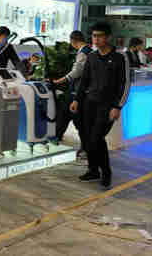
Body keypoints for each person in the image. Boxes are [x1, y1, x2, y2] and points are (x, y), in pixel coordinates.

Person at [70, 22, 128, 189]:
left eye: (100, 36)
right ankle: (93, 170)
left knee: (96, 138)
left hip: (108, 106)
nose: (96, 39)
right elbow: (84, 81)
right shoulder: (92, 56)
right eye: (94, 36)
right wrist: (77, 100)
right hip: (89, 103)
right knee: (88, 139)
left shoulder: (120, 57)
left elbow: (125, 84)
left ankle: (106, 171)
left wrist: (118, 106)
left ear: (108, 37)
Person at [53, 31, 92, 149]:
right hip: (82, 91)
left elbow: (76, 72)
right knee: (69, 117)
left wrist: (59, 81)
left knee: (68, 116)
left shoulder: (83, 53)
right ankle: (58, 137)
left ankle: (57, 138)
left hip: (77, 91)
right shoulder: (90, 51)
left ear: (73, 41)